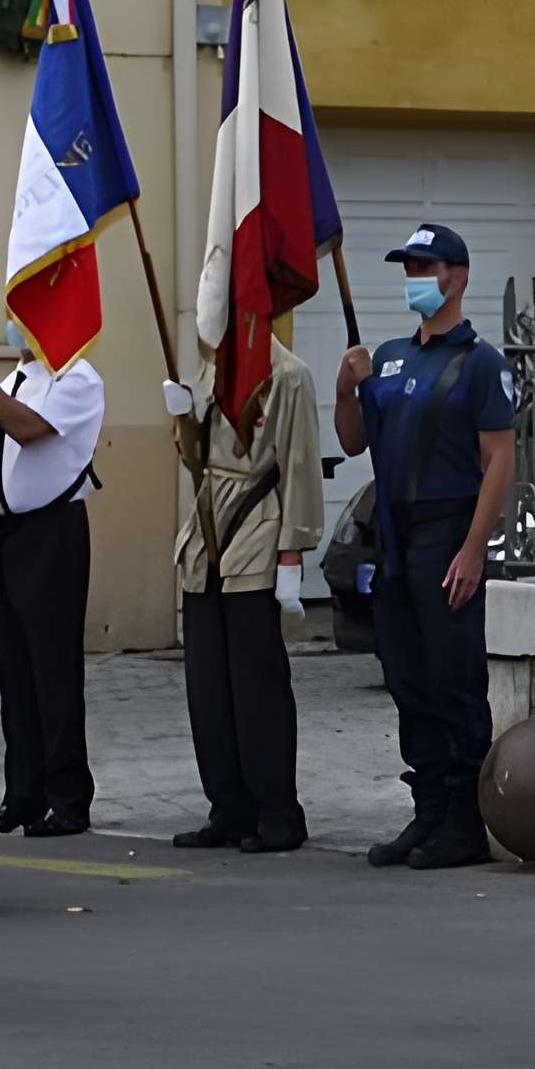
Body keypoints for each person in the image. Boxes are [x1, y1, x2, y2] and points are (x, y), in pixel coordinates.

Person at [338, 223, 517, 873]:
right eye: (409, 269)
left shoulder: (480, 363)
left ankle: (464, 823)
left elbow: (499, 462)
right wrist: (346, 387)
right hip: (395, 534)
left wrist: (473, 549)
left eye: (427, 267)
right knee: (406, 676)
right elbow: (354, 440)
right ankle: (429, 811)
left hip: (447, 530)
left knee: (452, 677)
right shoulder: (388, 359)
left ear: (458, 276)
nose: (416, 279)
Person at [0, 327, 107, 838]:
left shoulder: (75, 379)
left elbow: (28, 430)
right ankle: (23, 795)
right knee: (13, 674)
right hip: (4, 536)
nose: (15, 323)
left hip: (50, 534)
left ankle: (68, 798)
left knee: (53, 671)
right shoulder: (15, 380)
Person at [168, 335, 325, 853]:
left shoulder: (289, 376)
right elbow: (198, 462)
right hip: (206, 535)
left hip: (256, 532)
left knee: (257, 686)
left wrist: (292, 553)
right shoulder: (213, 368)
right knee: (208, 685)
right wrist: (182, 422)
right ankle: (229, 807)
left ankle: (278, 810)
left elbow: (299, 465)